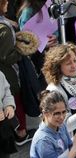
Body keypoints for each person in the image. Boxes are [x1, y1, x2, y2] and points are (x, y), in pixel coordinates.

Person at [0, 0, 35, 146]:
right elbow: (6, 58)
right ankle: (21, 133)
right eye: (4, 1)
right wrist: (21, 50)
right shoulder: (5, 30)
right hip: (8, 74)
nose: (7, 2)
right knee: (15, 101)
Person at [0, 71, 16, 158]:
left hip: (3, 128)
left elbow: (6, 91)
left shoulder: (0, 74)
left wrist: (9, 105)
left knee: (4, 157)